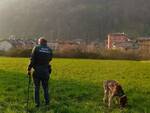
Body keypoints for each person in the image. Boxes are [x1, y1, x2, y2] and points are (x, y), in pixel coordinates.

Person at [27, 37, 52, 107]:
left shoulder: (36, 48)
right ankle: (47, 103)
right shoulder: (49, 50)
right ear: (45, 42)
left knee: (36, 88)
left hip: (37, 71)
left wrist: (29, 69)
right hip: (46, 71)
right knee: (46, 88)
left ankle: (37, 104)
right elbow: (50, 59)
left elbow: (32, 60)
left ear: (39, 42)